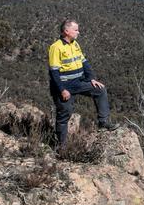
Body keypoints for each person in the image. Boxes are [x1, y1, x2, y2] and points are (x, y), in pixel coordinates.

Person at [48, 19, 118, 147]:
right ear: (66, 31)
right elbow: (54, 72)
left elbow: (84, 63)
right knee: (65, 113)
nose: (78, 32)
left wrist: (91, 78)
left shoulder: (75, 44)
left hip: (79, 82)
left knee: (100, 90)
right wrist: (62, 90)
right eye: (75, 30)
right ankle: (61, 146)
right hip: (64, 86)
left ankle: (103, 122)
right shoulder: (55, 47)